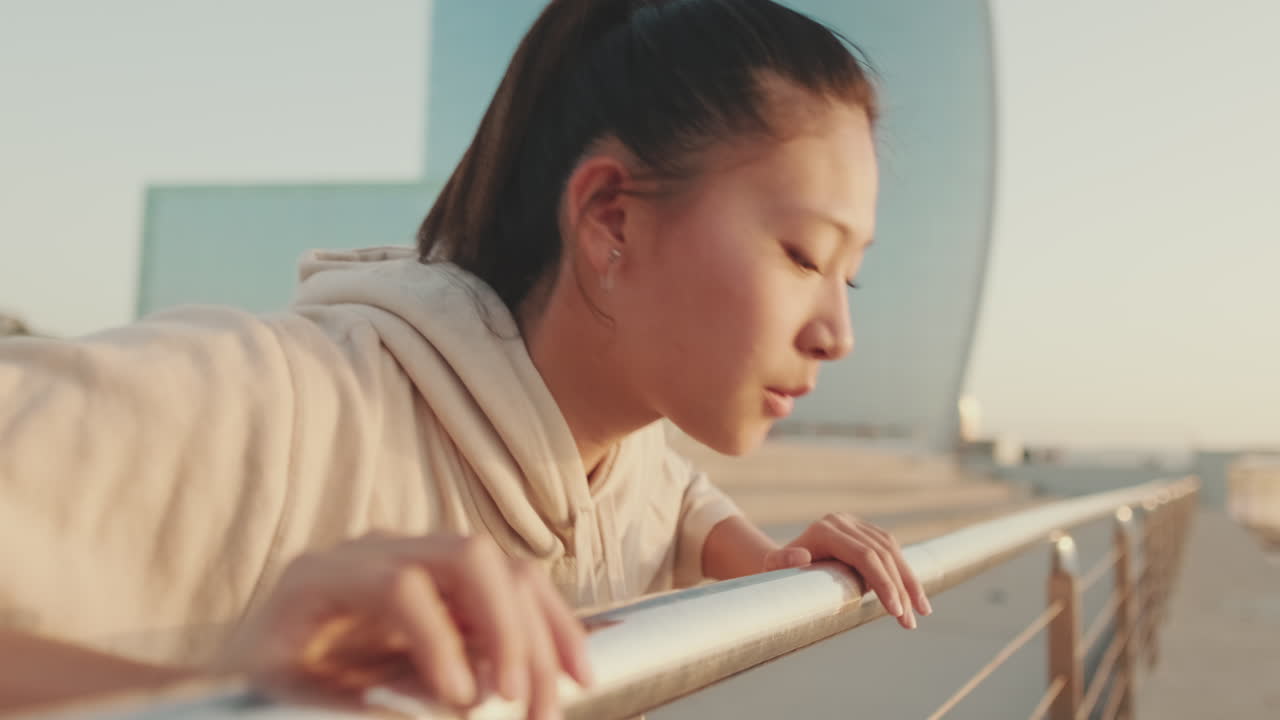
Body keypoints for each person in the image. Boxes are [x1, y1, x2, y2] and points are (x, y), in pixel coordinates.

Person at [0, 0, 932, 718]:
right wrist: (234, 695)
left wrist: (765, 561)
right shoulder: (285, 404)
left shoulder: (618, 446)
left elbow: (671, 498)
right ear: (611, 218)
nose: (836, 334)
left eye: (849, 278)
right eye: (806, 254)